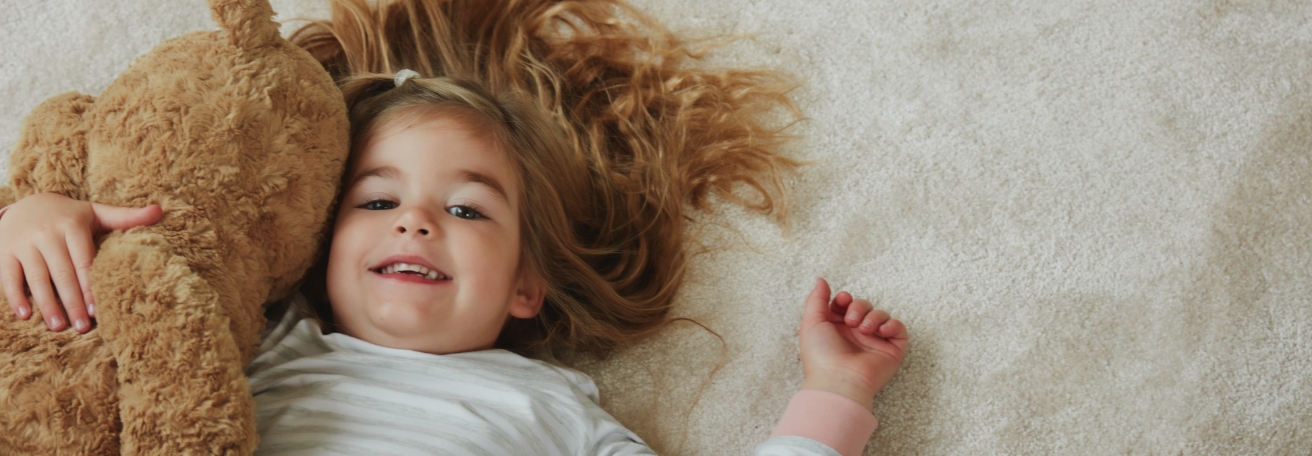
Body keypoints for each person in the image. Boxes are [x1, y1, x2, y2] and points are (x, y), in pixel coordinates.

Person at [0, 1, 908, 455]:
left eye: (468, 209)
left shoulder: (555, 413)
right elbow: (94, 320)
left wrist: (834, 395)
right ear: (318, 246)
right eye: (376, 201)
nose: (419, 221)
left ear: (525, 283)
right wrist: (42, 216)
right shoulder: (266, 344)